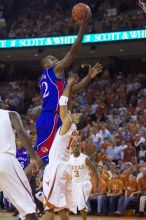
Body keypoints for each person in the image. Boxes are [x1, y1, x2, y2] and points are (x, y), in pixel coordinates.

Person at [33, 14, 91, 166]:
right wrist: (82, 27)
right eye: (51, 60)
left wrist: (88, 77)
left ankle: (40, 186)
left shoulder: (54, 80)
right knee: (41, 160)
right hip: (50, 117)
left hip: (52, 117)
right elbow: (72, 53)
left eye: (54, 59)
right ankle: (20, 184)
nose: (55, 60)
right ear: (48, 65)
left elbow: (73, 90)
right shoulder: (53, 70)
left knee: (51, 158)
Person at [43, 73, 89, 220]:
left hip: (57, 167)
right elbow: (68, 105)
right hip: (65, 168)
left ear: (76, 118)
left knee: (49, 208)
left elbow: (63, 104)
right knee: (62, 210)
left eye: (76, 113)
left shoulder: (69, 124)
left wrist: (68, 84)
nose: (74, 112)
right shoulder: (74, 130)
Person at [0, 99, 40, 220]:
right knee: (30, 208)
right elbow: (21, 132)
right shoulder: (11, 114)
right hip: (5, 159)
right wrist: (33, 157)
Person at [68, 141, 98, 220]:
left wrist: (97, 186)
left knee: (81, 205)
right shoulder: (69, 158)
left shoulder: (85, 158)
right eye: (74, 146)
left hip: (84, 183)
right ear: (71, 148)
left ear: (80, 148)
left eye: (77, 146)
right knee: (69, 205)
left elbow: (95, 171)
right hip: (74, 183)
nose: (75, 147)